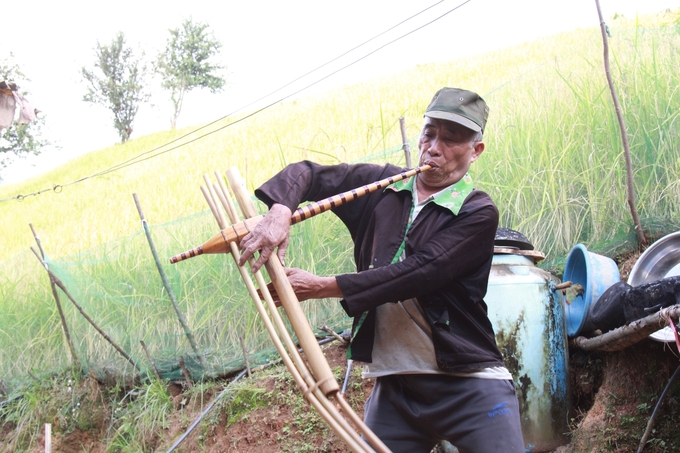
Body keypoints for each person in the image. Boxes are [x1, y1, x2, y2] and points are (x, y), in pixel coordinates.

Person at [238, 87, 525, 453]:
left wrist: (321, 286)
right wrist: (280, 212)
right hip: (397, 389)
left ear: (476, 150)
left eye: (450, 139)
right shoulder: (382, 187)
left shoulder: (477, 211)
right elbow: (308, 174)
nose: (434, 147)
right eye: (429, 133)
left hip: (469, 386)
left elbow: (420, 271)